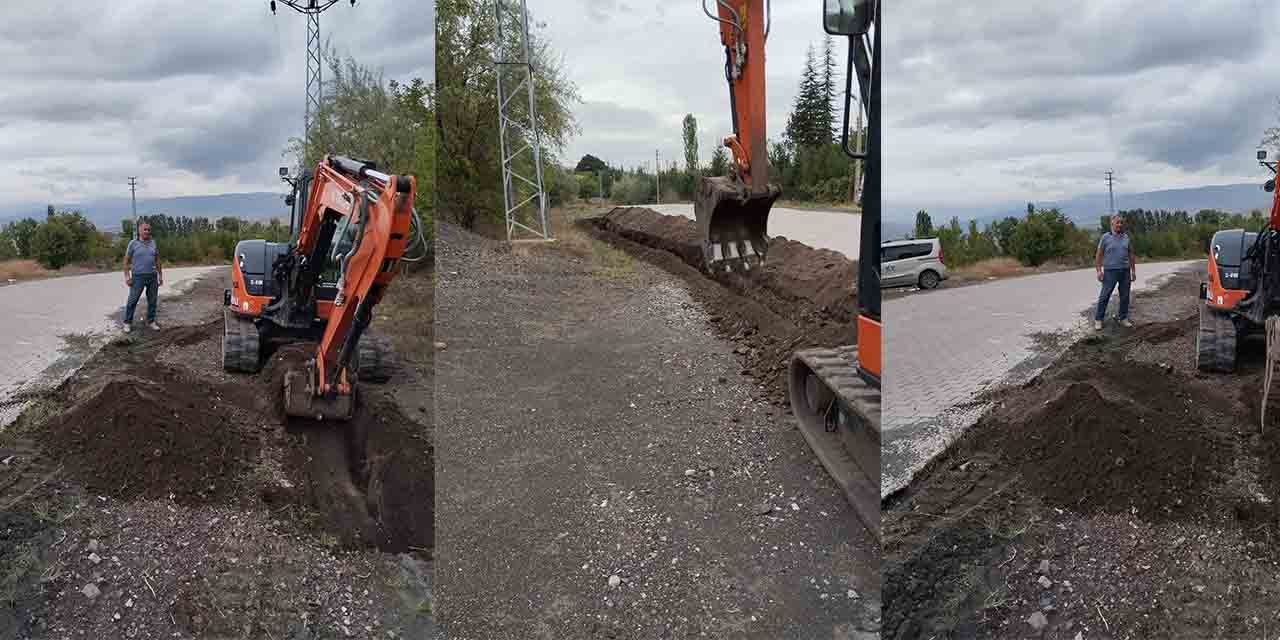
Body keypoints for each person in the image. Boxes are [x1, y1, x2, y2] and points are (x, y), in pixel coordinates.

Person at [1094, 214, 1136, 330]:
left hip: (1125, 271)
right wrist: (1098, 271)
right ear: (1112, 224)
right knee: (1104, 296)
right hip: (1110, 272)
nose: (1120, 225)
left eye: (1121, 223)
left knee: (1125, 296)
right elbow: (1099, 255)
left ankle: (1123, 318)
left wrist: (1133, 271)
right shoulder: (1105, 238)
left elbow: (1131, 255)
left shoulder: (1126, 237)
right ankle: (1098, 319)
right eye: (1117, 222)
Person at [122, 222, 163, 332]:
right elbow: (126, 261)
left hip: (152, 276)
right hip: (137, 277)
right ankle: (127, 322)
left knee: (152, 301)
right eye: (145, 230)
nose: (147, 232)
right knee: (133, 300)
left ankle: (151, 321)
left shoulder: (153, 243)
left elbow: (157, 260)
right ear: (139, 231)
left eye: (149, 230)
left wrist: (160, 275)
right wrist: (127, 276)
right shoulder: (133, 244)